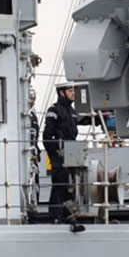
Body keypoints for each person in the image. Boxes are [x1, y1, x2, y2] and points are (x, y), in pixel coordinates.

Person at [43, 81, 78, 223]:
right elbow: (47, 135)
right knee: (59, 184)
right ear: (61, 93)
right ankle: (55, 216)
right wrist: (54, 153)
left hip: (71, 152)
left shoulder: (72, 112)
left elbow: (81, 121)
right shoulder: (54, 110)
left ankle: (66, 214)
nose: (73, 93)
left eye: (73, 91)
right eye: (70, 91)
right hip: (59, 154)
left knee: (71, 186)